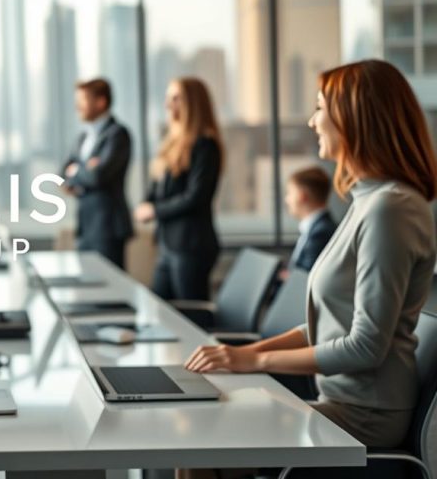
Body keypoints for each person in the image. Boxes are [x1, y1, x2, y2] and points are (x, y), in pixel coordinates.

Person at [185, 59, 437, 451]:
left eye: (320, 108)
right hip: (339, 401)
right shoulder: (366, 201)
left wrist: (257, 363)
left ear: (354, 119)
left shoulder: (391, 209)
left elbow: (366, 347)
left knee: (208, 434)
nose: (312, 121)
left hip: (365, 415)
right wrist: (242, 353)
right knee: (205, 427)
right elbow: (322, 328)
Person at [134, 77, 224, 301]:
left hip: (191, 245)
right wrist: (146, 204)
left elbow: (196, 197)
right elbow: (158, 187)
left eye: (176, 98)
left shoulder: (205, 145)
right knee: (159, 309)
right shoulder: (171, 144)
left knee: (191, 317)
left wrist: (154, 211)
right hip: (167, 243)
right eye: (168, 98)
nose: (168, 105)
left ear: (193, 103)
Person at [62, 78, 133, 269]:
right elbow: (62, 174)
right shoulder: (83, 136)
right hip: (85, 227)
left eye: (83, 100)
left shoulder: (117, 134)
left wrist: (77, 170)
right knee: (86, 289)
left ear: (101, 102)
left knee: (110, 291)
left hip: (107, 228)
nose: (78, 106)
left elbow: (98, 176)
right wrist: (85, 169)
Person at [282, 166, 338, 277]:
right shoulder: (314, 228)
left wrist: (286, 277)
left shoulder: (321, 232)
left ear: (302, 196)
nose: (286, 199)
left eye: (289, 193)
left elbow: (304, 277)